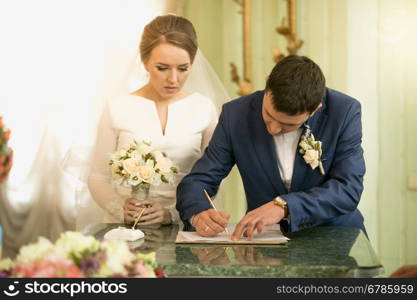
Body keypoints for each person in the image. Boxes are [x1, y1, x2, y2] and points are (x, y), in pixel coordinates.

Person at [176, 55, 366, 241]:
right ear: (267, 84)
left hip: (334, 237)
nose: (273, 129)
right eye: (268, 114)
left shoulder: (343, 112)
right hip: (265, 240)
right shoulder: (236, 115)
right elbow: (199, 180)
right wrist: (198, 212)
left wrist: (284, 206)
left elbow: (348, 189)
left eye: (288, 125)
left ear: (315, 110)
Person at [86, 15, 228, 228]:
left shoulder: (204, 109)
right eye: (162, 68)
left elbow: (211, 180)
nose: (173, 79)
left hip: (183, 227)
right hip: (124, 229)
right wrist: (120, 208)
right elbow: (97, 176)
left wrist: (171, 214)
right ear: (145, 62)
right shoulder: (118, 106)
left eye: (183, 68)